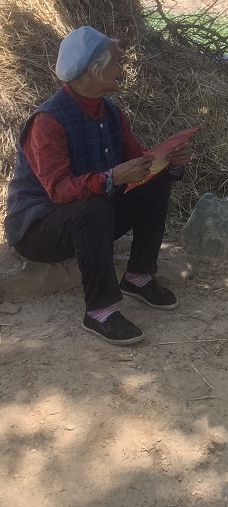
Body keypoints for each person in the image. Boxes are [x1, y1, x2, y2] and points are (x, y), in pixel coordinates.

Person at [4, 27, 193, 346]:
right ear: (95, 68)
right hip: (39, 230)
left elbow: (140, 163)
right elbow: (59, 191)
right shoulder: (48, 121)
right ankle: (99, 310)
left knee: (153, 181)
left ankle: (138, 276)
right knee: (92, 204)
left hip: (90, 222)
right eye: (117, 61)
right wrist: (112, 178)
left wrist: (171, 162)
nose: (122, 68)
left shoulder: (113, 113)